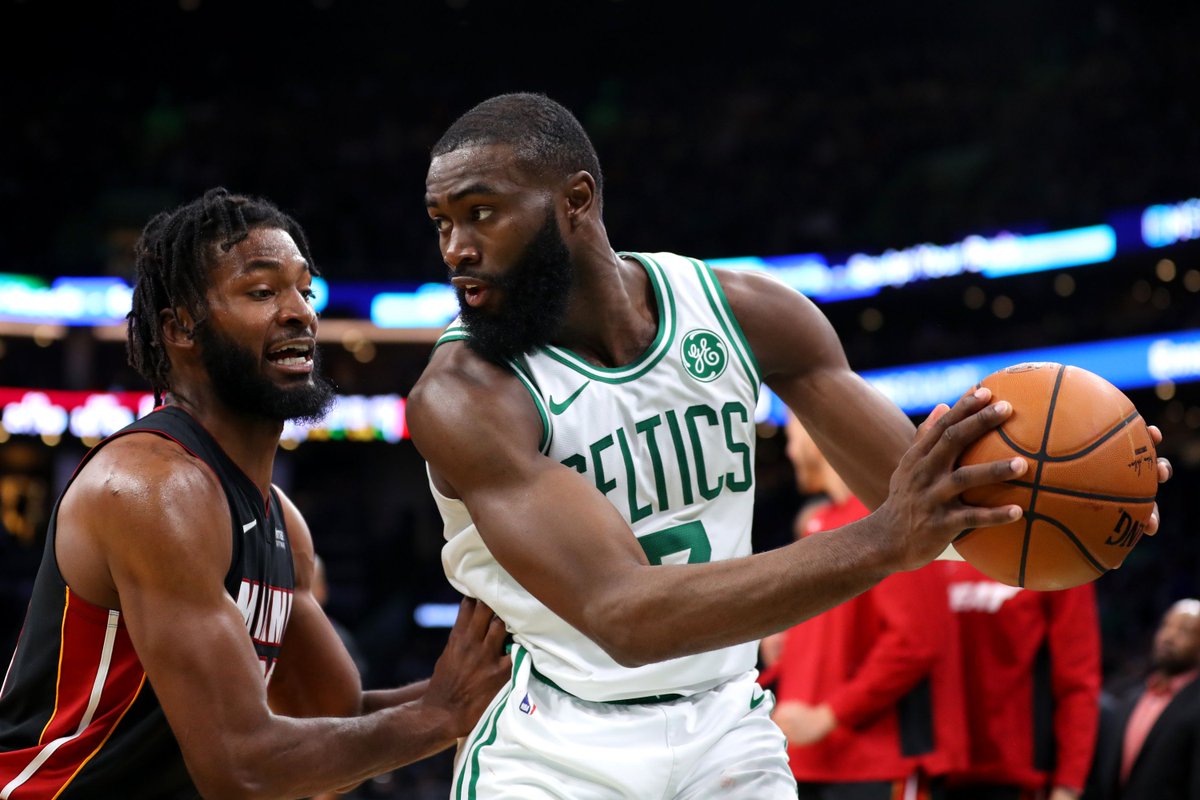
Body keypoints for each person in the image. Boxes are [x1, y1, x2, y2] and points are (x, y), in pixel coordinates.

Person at [405, 92, 1169, 798]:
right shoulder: (464, 393)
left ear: (576, 201)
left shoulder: (743, 313)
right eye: (442, 222)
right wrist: (883, 539)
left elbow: (932, 508)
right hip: (556, 740)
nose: (456, 249)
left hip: (725, 726)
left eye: (481, 213)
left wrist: (1093, 493)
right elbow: (623, 615)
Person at [0, 188, 511, 799]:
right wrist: (440, 714)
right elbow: (242, 769)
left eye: (305, 291)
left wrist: (500, 682)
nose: (299, 313)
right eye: (263, 292)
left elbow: (331, 716)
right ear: (180, 327)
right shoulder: (153, 489)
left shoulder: (279, 521)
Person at [757, 413, 966, 800]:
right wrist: (791, 648)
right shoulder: (822, 523)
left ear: (814, 434)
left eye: (791, 436)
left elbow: (917, 641)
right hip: (809, 761)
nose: (788, 451)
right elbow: (842, 637)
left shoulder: (894, 522)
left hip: (880, 764)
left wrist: (829, 714)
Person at [942, 557, 1102, 800]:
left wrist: (1069, 783)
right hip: (939, 773)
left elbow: (1078, 682)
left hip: (1018, 778)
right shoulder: (940, 553)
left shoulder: (1060, 557)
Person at [1084, 598, 1200, 800]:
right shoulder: (1131, 699)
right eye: (1166, 626)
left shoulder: (1194, 705)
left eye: (1184, 631)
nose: (1169, 637)